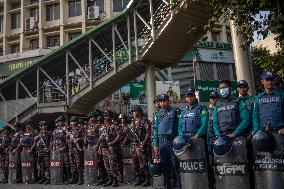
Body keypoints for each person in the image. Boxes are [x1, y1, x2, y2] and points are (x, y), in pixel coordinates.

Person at [153, 94, 181, 189]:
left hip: (172, 142)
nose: (162, 103)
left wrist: (179, 140)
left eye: (164, 101)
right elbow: (156, 129)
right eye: (160, 102)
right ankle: (167, 186)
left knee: (176, 165)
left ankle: (179, 185)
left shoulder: (175, 111)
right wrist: (155, 144)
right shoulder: (158, 113)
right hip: (161, 144)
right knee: (165, 167)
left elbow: (179, 126)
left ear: (168, 101)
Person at [123, 105, 151, 187]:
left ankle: (147, 179)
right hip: (133, 145)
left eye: (135, 111)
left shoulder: (145, 121)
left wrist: (144, 143)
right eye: (133, 111)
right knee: (135, 163)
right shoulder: (133, 123)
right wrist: (124, 142)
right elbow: (129, 134)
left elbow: (148, 133)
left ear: (139, 111)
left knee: (143, 163)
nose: (134, 113)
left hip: (141, 145)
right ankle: (139, 178)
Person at [98, 110, 121, 187]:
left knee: (112, 165)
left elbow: (119, 135)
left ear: (110, 117)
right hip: (104, 148)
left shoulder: (114, 125)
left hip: (111, 148)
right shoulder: (102, 126)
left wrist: (113, 142)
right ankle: (110, 179)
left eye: (106, 116)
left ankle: (115, 180)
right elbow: (101, 138)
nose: (105, 117)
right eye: (104, 116)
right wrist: (99, 148)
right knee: (106, 165)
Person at [66, 116, 84, 185]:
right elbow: (67, 139)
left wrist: (79, 139)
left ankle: (80, 178)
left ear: (76, 121)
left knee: (78, 163)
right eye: (71, 121)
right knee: (72, 163)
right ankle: (74, 178)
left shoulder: (80, 129)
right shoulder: (70, 129)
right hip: (71, 148)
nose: (72, 123)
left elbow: (85, 138)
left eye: (73, 121)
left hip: (77, 148)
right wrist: (67, 137)